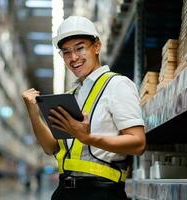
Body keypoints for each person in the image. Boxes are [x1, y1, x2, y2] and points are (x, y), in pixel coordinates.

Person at [22, 16, 146, 200]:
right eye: (66, 52)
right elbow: (51, 148)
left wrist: (88, 138)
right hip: (64, 192)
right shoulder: (71, 95)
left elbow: (138, 143)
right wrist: (33, 112)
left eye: (80, 48)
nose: (73, 58)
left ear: (96, 46)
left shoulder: (117, 85)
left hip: (101, 193)